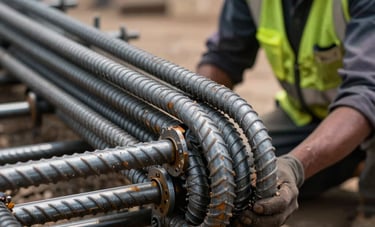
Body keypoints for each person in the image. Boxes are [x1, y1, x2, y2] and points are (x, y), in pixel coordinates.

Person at [197, 0, 375, 226]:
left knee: (286, 171)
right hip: (307, 118)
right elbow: (224, 56)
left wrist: (295, 166)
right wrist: (194, 120)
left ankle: (370, 205)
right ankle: (352, 162)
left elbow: (365, 93)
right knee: (239, 177)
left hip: (360, 117)